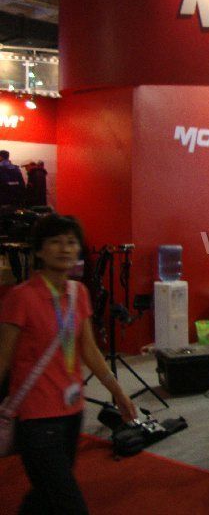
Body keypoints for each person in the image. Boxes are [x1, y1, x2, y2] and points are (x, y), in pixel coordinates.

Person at [0, 215, 137, 514]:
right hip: (36, 418)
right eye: (55, 242)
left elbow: (89, 350)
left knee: (46, 494)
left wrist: (118, 392)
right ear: (39, 250)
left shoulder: (79, 293)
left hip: (73, 412)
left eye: (71, 242)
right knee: (68, 503)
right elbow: (2, 359)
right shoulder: (21, 297)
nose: (64, 248)